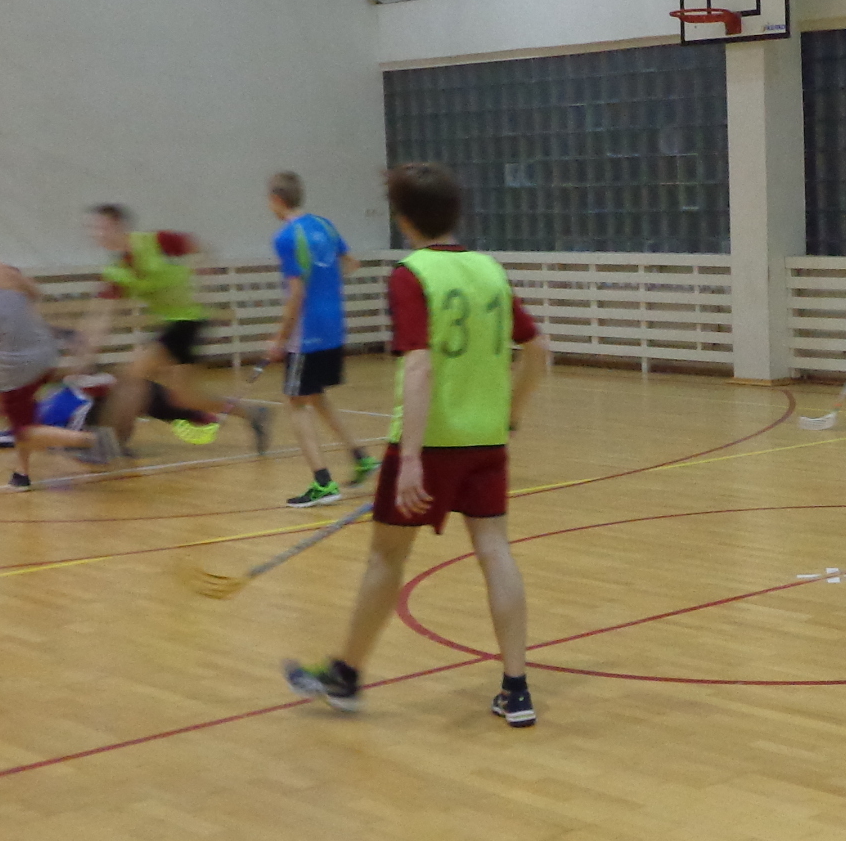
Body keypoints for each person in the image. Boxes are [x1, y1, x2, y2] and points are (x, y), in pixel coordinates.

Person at [285, 163, 550, 726]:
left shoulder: (411, 274)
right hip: (486, 439)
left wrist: (409, 459)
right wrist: (512, 412)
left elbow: (420, 366)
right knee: (495, 550)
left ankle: (346, 678)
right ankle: (517, 689)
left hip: (429, 442)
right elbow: (538, 350)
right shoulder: (489, 269)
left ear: (404, 220)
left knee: (386, 556)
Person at [74, 205, 270, 457]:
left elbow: (199, 247)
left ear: (118, 226)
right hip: (171, 325)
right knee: (183, 399)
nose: (96, 233)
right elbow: (101, 315)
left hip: (187, 322)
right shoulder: (118, 270)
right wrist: (84, 353)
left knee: (130, 375)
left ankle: (109, 444)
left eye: (101, 227)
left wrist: (203, 275)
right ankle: (254, 413)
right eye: (92, 229)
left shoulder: (155, 242)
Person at [0, 236, 118, 488]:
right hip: (46, 349)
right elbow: (34, 292)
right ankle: (22, 473)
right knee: (24, 414)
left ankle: (89, 440)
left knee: (23, 430)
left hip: (16, 365)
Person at [261, 171, 373, 508]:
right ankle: (361, 457)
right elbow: (352, 264)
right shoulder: (325, 225)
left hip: (306, 332)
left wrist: (279, 338)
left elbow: (296, 295)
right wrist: (326, 286)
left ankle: (323, 482)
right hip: (334, 326)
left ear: (277, 200)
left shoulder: (286, 237)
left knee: (295, 403)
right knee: (316, 396)